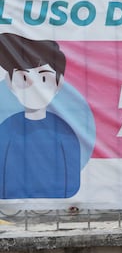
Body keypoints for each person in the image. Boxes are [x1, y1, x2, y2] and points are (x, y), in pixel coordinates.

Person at [0, 32, 81, 199]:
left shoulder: (65, 131)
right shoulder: (6, 130)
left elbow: (72, 182)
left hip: (57, 205)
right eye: (23, 78)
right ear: (10, 82)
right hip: (13, 205)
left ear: (59, 83)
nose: (33, 88)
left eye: (44, 79)